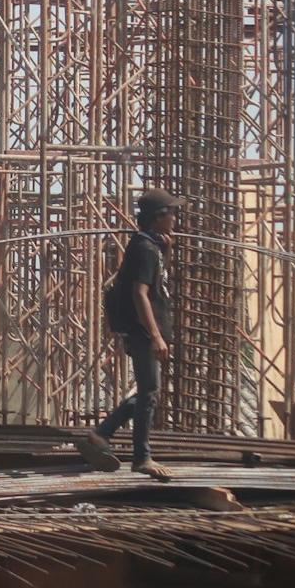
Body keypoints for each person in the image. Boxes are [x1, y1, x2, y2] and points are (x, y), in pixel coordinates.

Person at [78, 188, 181, 481]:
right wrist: (155, 335)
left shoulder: (152, 247)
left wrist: (168, 250)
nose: (175, 218)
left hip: (145, 331)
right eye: (171, 213)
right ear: (158, 217)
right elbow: (140, 293)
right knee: (149, 392)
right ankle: (140, 456)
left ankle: (102, 434)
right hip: (144, 332)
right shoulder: (144, 249)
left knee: (149, 392)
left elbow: (157, 282)